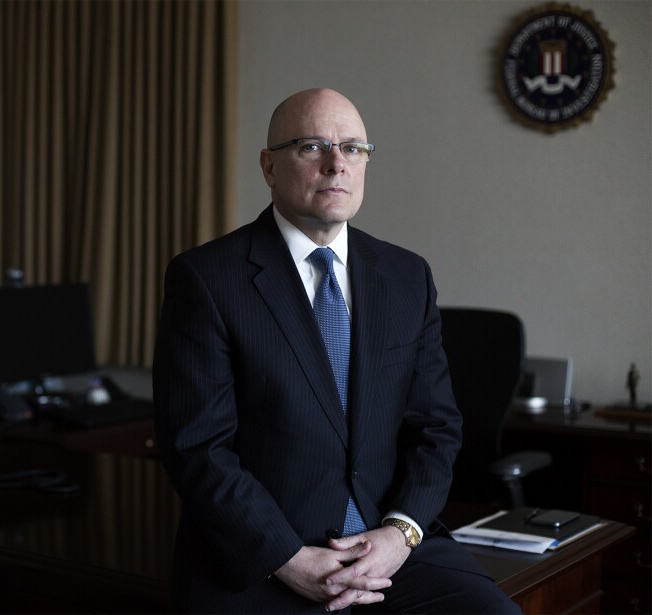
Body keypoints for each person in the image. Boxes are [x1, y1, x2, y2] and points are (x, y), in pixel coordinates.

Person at [153, 88, 521, 613]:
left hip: (389, 551)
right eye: (311, 147)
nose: (336, 164)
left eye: (353, 148)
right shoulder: (207, 278)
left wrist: (399, 535)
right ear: (269, 166)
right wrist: (289, 559)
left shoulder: (407, 276)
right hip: (266, 559)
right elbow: (198, 446)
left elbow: (436, 428)